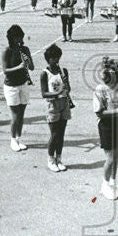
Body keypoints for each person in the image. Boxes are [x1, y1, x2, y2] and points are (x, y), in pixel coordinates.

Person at [93, 56, 118, 200]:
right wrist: (117, 111)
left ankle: (112, 182)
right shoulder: (101, 89)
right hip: (107, 125)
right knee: (110, 158)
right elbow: (99, 113)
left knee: (117, 156)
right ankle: (104, 185)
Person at [40, 44, 72, 172]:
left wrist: (66, 87)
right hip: (52, 104)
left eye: (58, 57)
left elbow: (68, 87)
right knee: (54, 134)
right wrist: (57, 94)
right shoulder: (44, 74)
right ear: (48, 59)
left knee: (62, 133)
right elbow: (44, 93)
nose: (56, 60)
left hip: (64, 103)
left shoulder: (63, 71)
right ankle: (50, 159)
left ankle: (59, 158)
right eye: (54, 58)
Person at [2, 24, 34, 151]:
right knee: (15, 115)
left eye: (20, 37)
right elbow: (5, 70)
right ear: (11, 38)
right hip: (11, 86)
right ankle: (12, 139)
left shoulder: (25, 49)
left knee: (21, 114)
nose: (18, 40)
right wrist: (19, 67)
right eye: (16, 38)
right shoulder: (7, 51)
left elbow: (31, 68)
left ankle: (18, 138)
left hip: (23, 83)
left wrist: (28, 61)